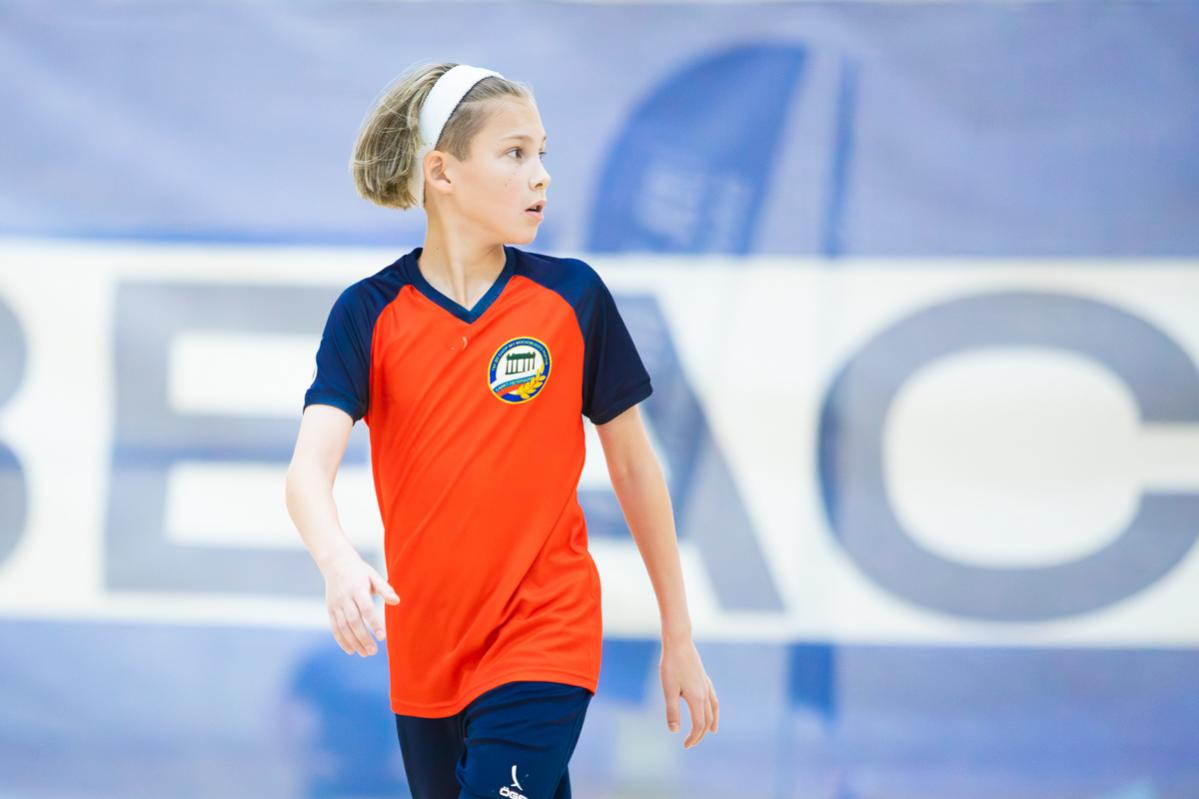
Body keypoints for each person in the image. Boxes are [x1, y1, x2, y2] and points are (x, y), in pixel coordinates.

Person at [284, 61, 719, 799]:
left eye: (542, 153)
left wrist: (677, 633)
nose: (541, 175)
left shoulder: (572, 297)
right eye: (514, 153)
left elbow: (635, 470)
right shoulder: (368, 313)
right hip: (426, 655)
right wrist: (338, 563)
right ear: (441, 172)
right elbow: (306, 474)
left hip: (546, 633)